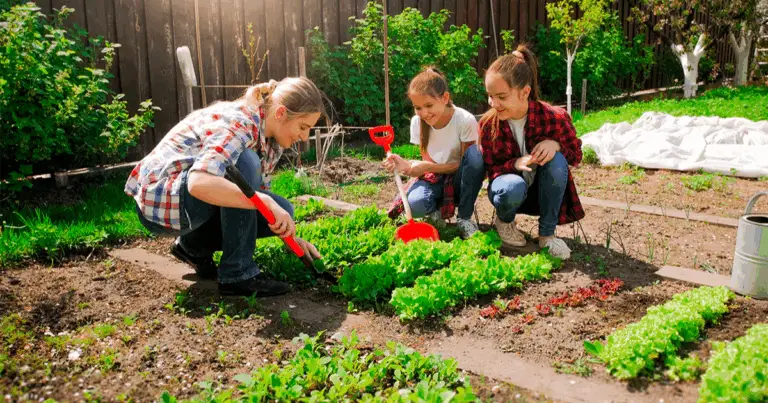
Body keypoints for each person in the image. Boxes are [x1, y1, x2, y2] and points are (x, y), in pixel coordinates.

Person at [125, 77, 324, 297]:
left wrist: (290, 238)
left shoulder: (271, 140)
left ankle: (192, 247)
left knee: (283, 209)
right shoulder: (241, 123)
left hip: (189, 202)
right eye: (303, 127)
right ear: (280, 113)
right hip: (164, 201)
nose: (305, 137)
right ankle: (238, 275)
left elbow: (254, 197)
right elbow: (198, 183)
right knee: (245, 163)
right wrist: (264, 201)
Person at [479, 45, 585, 259]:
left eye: (501, 96)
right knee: (511, 186)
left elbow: (576, 155)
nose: (494, 103)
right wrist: (515, 164)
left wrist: (556, 145)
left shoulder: (554, 117)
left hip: (541, 194)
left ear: (524, 92)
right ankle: (505, 222)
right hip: (510, 193)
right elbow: (491, 169)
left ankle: (547, 235)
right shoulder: (488, 124)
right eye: (490, 96)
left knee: (557, 162)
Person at [383, 67, 485, 238]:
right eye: (418, 107)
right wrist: (405, 165)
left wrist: (426, 167)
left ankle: (464, 219)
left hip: (462, 180)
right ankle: (434, 212)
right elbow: (428, 166)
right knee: (414, 205)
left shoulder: (464, 120)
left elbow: (467, 165)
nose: (424, 113)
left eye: (429, 105)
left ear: (445, 98)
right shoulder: (418, 122)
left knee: (476, 156)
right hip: (436, 178)